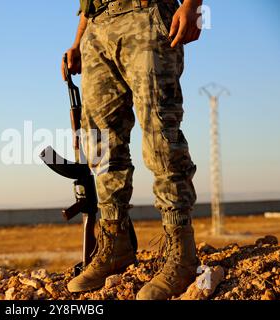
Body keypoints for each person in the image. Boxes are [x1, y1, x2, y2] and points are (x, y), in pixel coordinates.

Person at [62, 0, 203, 300]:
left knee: (160, 133)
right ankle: (116, 244)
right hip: (97, 26)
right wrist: (78, 41)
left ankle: (182, 251)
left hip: (146, 13)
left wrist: (191, 5)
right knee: (100, 141)